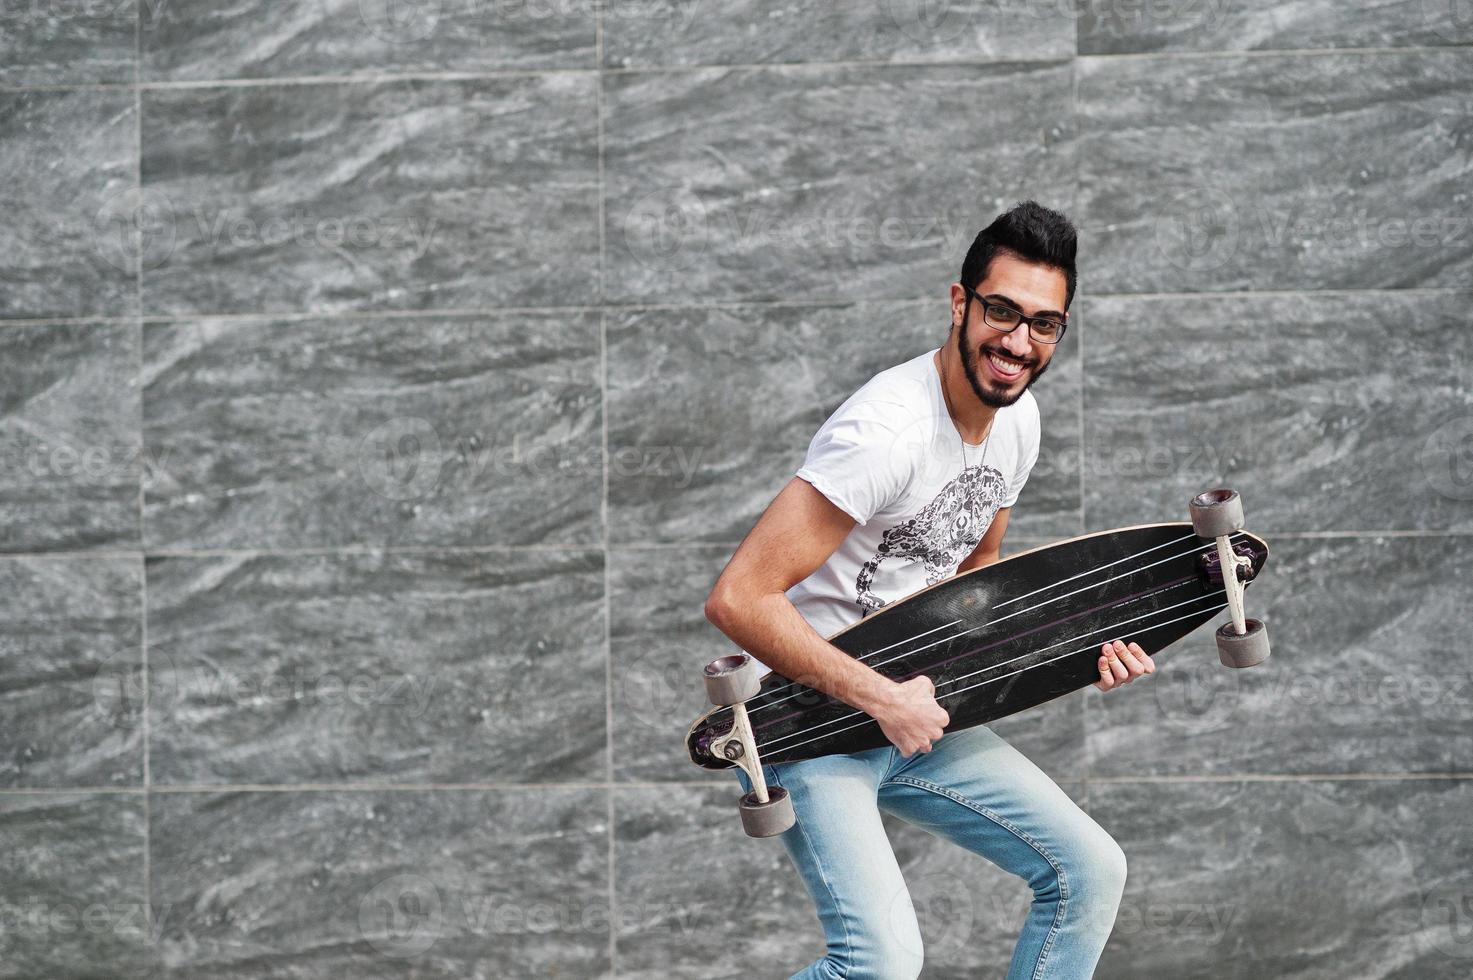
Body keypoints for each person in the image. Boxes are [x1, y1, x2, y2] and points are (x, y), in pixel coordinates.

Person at [703, 201, 1154, 979]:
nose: (1017, 342)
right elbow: (738, 599)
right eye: (1001, 312)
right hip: (812, 720)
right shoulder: (885, 435)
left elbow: (977, 576)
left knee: (1089, 872)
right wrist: (880, 699)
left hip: (918, 707)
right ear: (960, 303)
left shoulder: (1017, 422)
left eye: (1043, 324)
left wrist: (1081, 652)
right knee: (876, 966)